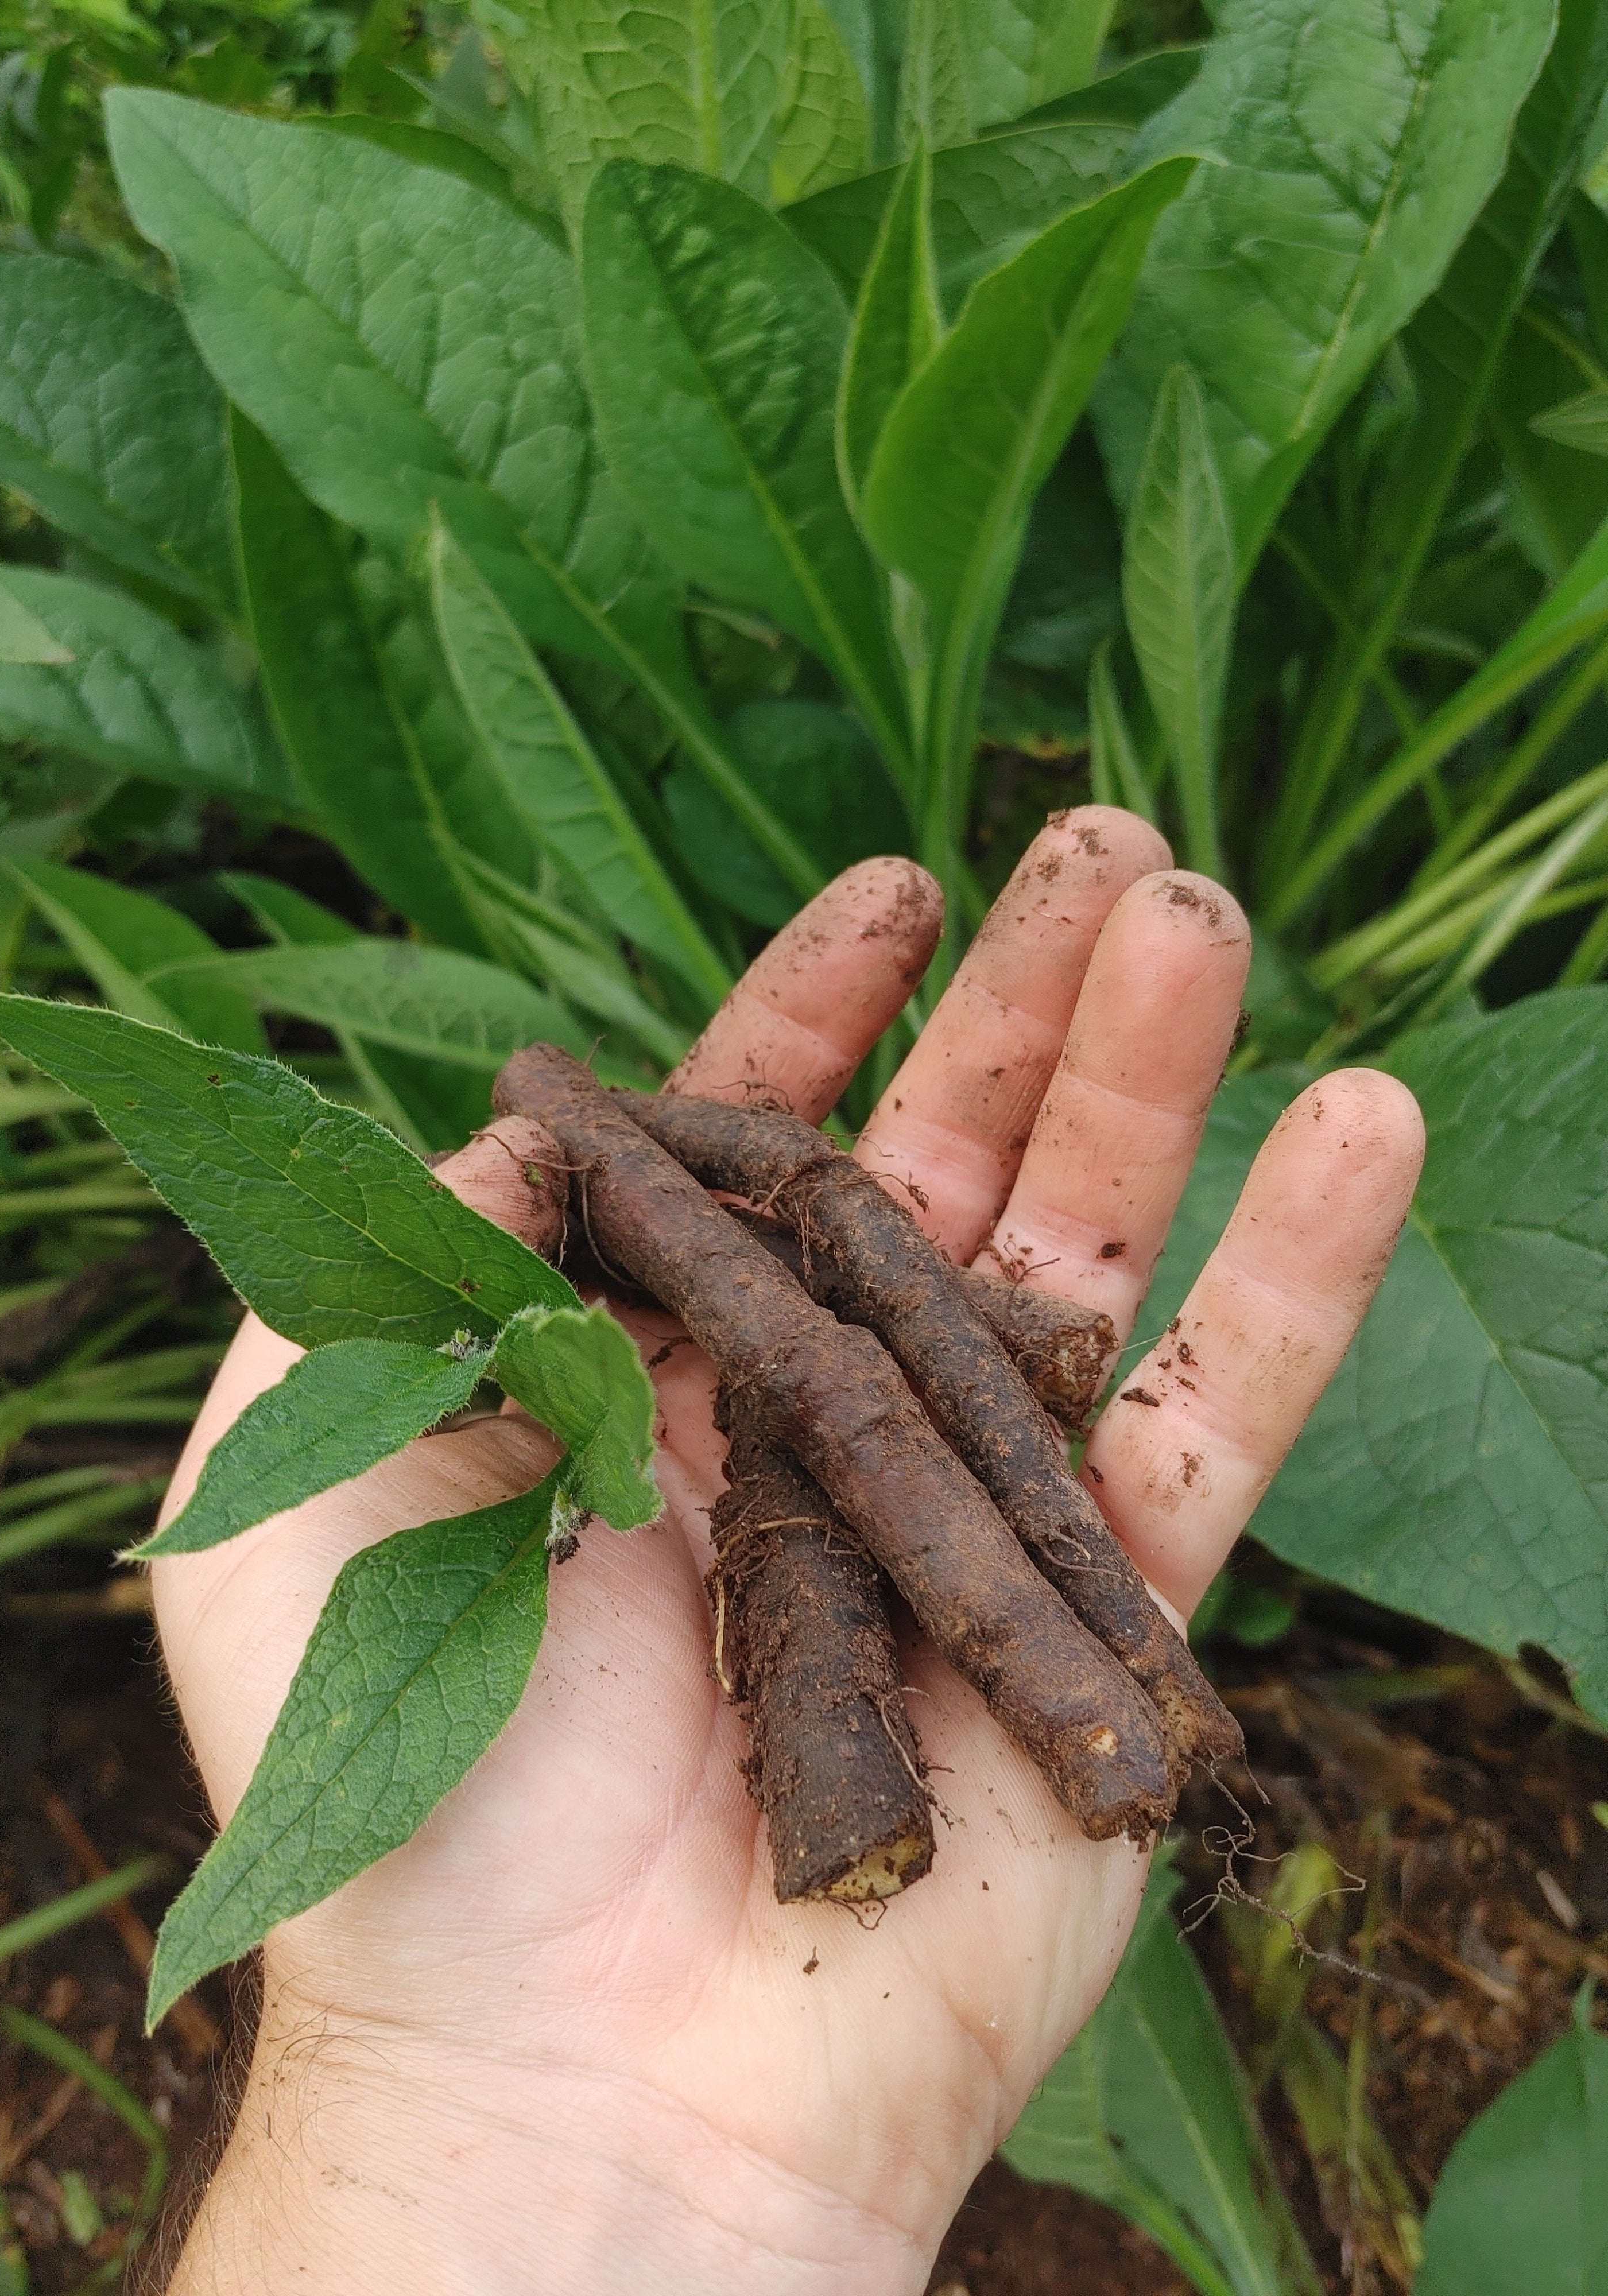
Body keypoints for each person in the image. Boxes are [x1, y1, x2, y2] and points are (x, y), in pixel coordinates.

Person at [150, 810, 1424, 2293]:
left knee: (828, 1390)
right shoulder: (738, 1264)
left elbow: (836, 1343)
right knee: (823, 1387)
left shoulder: (717, 1213)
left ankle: (1133, 1715)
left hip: (751, 1253)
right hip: (749, 1276)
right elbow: (824, 1345)